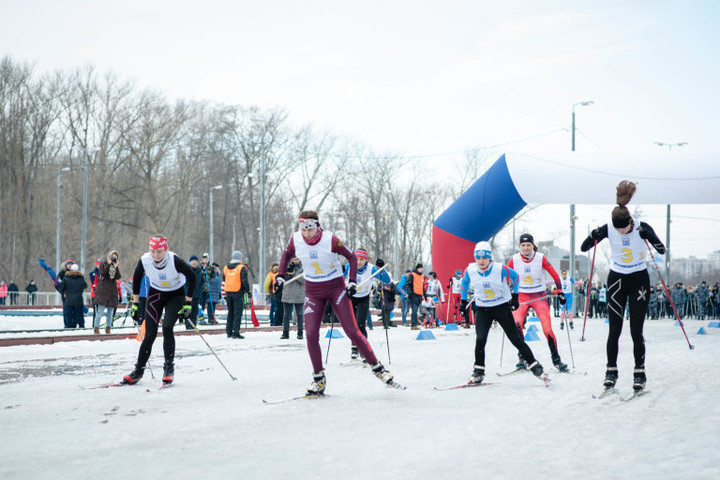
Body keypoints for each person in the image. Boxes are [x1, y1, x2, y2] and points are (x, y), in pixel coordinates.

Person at [276, 210, 398, 395]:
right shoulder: (295, 239)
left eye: (310, 228)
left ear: (317, 226)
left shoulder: (330, 239)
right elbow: (285, 256)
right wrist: (280, 276)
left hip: (336, 289)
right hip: (313, 291)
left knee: (352, 330)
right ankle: (318, 378)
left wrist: (352, 281)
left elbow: (351, 257)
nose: (306, 233)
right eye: (303, 228)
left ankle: (378, 368)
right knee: (310, 334)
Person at [581, 180, 665, 392]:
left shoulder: (641, 227)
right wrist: (592, 237)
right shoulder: (609, 228)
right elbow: (584, 248)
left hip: (639, 280)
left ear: (630, 222)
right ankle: (611, 371)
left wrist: (650, 236)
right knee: (614, 330)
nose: (620, 232)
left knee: (636, 331)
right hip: (617, 280)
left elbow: (661, 250)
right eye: (617, 229)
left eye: (624, 228)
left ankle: (640, 372)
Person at [461, 241, 546, 384]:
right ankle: (478, 371)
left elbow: (516, 277)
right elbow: (464, 283)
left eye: (484, 258)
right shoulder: (470, 270)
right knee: (480, 339)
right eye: (478, 258)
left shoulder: (499, 269)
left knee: (515, 339)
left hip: (501, 307)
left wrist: (515, 295)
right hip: (482, 308)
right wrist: (463, 303)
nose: (481, 261)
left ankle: (535, 366)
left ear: (490, 258)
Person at [123, 235, 196, 385]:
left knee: (167, 327)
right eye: (153, 251)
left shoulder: (175, 260)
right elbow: (136, 279)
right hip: (156, 294)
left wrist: (188, 302)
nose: (156, 255)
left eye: (160, 252)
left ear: (166, 250)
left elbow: (192, 277)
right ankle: (138, 370)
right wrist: (135, 303)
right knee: (149, 333)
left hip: (176, 294)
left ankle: (169, 368)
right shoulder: (145, 260)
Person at [507, 233, 568, 372]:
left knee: (547, 329)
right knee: (517, 325)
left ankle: (556, 359)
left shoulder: (540, 258)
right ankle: (522, 357)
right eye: (523, 245)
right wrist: (506, 294)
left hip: (538, 296)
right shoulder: (514, 259)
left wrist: (560, 291)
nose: (526, 248)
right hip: (521, 296)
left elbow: (554, 274)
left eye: (528, 245)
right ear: (520, 246)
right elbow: (505, 275)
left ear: (533, 245)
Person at [343, 249, 391, 358]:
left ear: (367, 260)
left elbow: (387, 280)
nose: (358, 262)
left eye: (362, 259)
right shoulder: (349, 266)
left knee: (360, 324)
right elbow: (338, 277)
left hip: (363, 298)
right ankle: (354, 348)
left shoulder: (371, 269)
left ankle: (364, 349)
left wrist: (381, 269)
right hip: (351, 297)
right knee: (352, 325)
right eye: (356, 259)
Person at [93, 251, 121, 334]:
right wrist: (108, 264)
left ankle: (108, 328)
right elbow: (103, 273)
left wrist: (116, 267)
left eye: (115, 258)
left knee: (110, 312)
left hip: (112, 292)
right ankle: (96, 328)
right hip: (103, 291)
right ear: (109, 257)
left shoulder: (115, 266)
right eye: (112, 257)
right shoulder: (103, 264)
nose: (113, 259)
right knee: (100, 312)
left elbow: (118, 276)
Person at [223, 250, 250, 339]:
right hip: (238, 292)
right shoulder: (241, 268)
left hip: (228, 292)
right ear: (239, 258)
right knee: (238, 313)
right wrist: (248, 291)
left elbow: (224, 279)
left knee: (231, 312)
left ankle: (229, 331)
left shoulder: (226, 268)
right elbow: (244, 281)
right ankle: (235, 332)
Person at [281, 256, 305, 340]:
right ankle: (285, 333)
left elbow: (304, 280)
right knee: (286, 315)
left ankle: (300, 332)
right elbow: (280, 278)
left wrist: (294, 274)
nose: (296, 261)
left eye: (297, 259)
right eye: (294, 259)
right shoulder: (286, 267)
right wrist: (286, 274)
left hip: (299, 294)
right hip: (287, 293)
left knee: (300, 314)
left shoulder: (304, 268)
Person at [58, 264, 87, 328]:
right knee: (79, 314)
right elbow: (85, 286)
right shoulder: (81, 278)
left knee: (69, 315)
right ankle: (81, 326)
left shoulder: (66, 278)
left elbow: (61, 288)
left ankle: (69, 327)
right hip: (78, 299)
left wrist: (65, 293)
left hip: (69, 300)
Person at [404, 263, 427, 330]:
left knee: (418, 311)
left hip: (419, 296)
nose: (421, 269)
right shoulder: (412, 275)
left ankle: (416, 324)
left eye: (422, 268)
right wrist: (410, 293)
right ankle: (413, 325)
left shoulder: (422, 276)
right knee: (414, 310)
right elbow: (407, 284)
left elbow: (422, 286)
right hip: (413, 295)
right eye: (420, 268)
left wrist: (425, 295)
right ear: (417, 269)